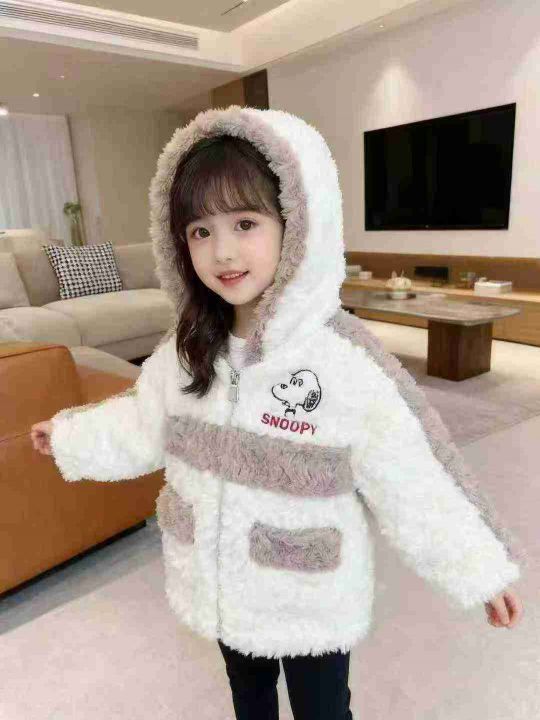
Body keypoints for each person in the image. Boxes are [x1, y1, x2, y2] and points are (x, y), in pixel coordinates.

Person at [31, 106, 525, 720]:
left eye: (245, 223)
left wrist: (478, 569)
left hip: (308, 593)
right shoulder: (188, 348)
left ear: (297, 224)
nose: (223, 251)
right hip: (221, 582)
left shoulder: (343, 361)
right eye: (200, 231)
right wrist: (72, 436)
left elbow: (413, 475)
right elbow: (141, 421)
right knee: (250, 700)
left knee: (323, 711)